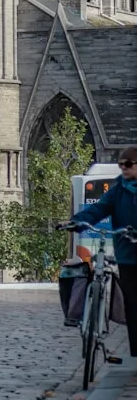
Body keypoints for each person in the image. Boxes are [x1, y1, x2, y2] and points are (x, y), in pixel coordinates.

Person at [69, 147, 137, 357]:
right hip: (127, 258)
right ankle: (135, 358)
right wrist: (77, 221)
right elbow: (98, 209)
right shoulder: (117, 190)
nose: (123, 168)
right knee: (132, 307)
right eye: (121, 164)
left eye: (128, 164)